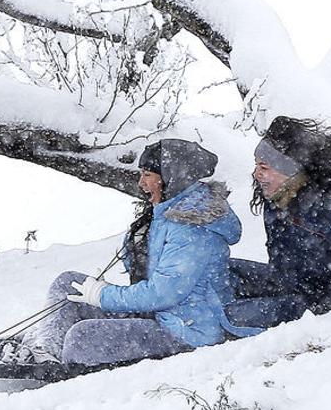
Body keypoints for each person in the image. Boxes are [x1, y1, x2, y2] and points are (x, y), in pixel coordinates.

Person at [13, 138, 259, 370]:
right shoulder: (168, 212)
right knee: (69, 284)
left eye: (148, 175)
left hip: (187, 331)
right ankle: (43, 351)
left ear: (171, 179)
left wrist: (103, 295)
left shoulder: (191, 229)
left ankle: (58, 361)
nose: (141, 183)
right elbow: (145, 274)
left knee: (82, 337)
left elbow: (163, 294)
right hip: (160, 314)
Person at [226, 116, 331, 330]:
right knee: (224, 269)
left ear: (289, 171)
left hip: (323, 295)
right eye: (257, 166)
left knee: (234, 315)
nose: (256, 174)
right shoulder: (276, 202)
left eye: (264, 167)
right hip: (291, 282)